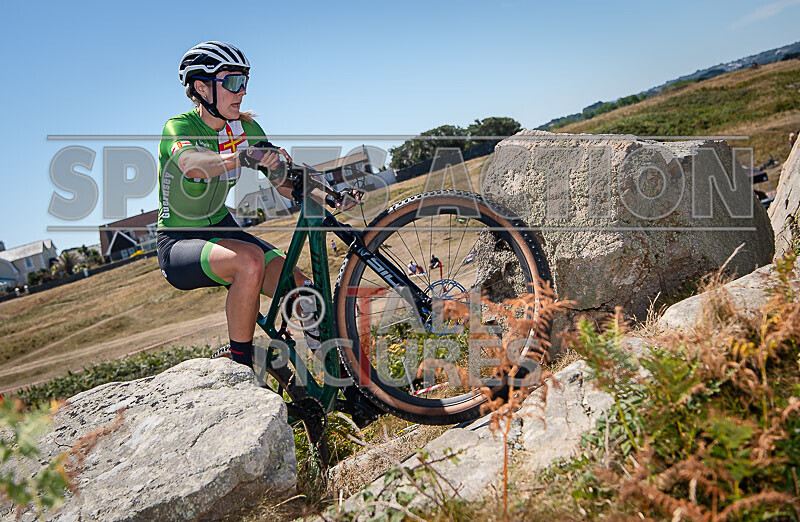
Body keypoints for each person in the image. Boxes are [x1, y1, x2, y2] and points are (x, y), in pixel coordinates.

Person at [156, 42, 374, 424]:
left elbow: (286, 182)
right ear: (203, 88)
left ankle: (343, 392)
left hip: (222, 228)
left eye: (245, 82)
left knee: (308, 295)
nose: (242, 91)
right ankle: (241, 372)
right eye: (233, 81)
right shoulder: (179, 127)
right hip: (178, 240)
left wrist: (330, 195)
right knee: (249, 262)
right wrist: (239, 156)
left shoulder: (247, 128)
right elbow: (193, 165)